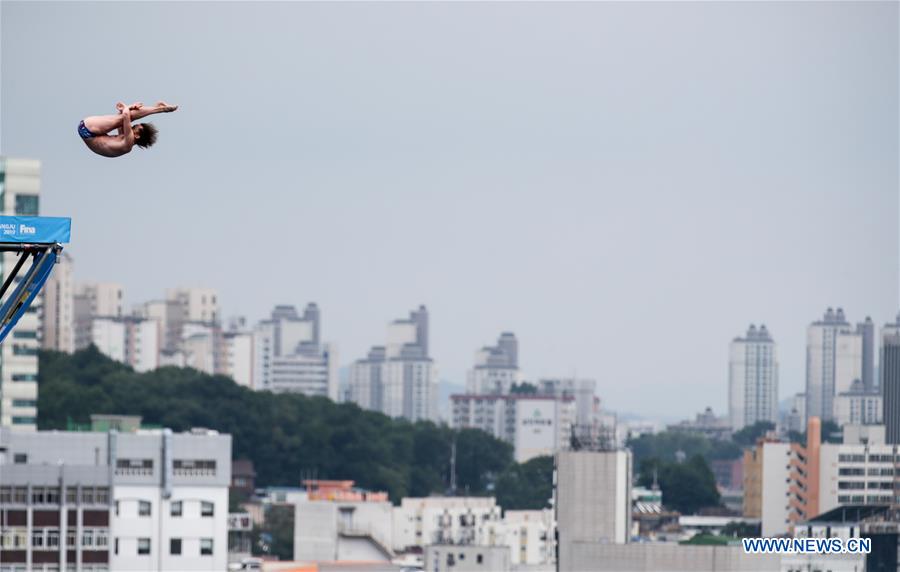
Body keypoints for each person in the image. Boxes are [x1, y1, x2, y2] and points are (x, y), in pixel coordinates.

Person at [78, 101, 177, 157]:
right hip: (88, 131)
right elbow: (122, 119)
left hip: (88, 129)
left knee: (125, 118)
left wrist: (127, 107)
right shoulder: (126, 142)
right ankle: (157, 109)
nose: (131, 127)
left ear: (137, 135)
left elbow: (125, 115)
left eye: (134, 128)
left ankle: (160, 109)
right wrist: (126, 109)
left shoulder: (128, 143)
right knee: (123, 119)